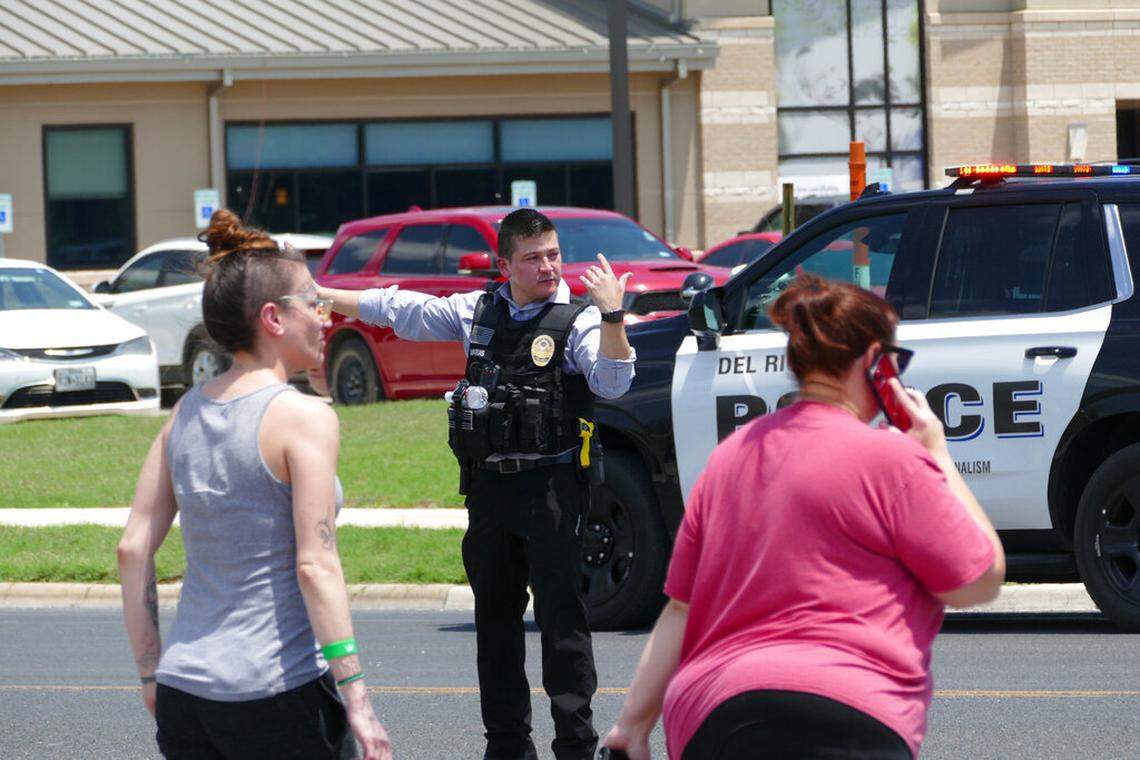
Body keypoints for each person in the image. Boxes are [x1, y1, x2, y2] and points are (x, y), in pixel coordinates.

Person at [602, 273, 1006, 760]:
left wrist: (632, 725)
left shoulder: (730, 458)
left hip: (716, 712)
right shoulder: (892, 460)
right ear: (876, 364)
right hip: (849, 707)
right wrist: (937, 453)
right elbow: (978, 579)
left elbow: (681, 610)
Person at [317, 208, 636, 760]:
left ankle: (575, 746)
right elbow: (402, 310)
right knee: (495, 623)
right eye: (533, 258)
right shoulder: (479, 311)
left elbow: (613, 381)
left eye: (553, 255)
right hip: (489, 493)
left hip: (554, 491)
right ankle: (508, 746)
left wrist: (613, 316)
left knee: (562, 625)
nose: (548, 268)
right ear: (504, 263)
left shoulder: (579, 319)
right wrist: (323, 293)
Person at [117, 209, 391, 760]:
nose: (325, 317)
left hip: (183, 692)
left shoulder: (185, 414)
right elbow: (315, 565)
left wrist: (150, 674)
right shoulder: (303, 418)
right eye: (314, 304)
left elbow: (132, 548)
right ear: (273, 317)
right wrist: (356, 698)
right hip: (275, 692)